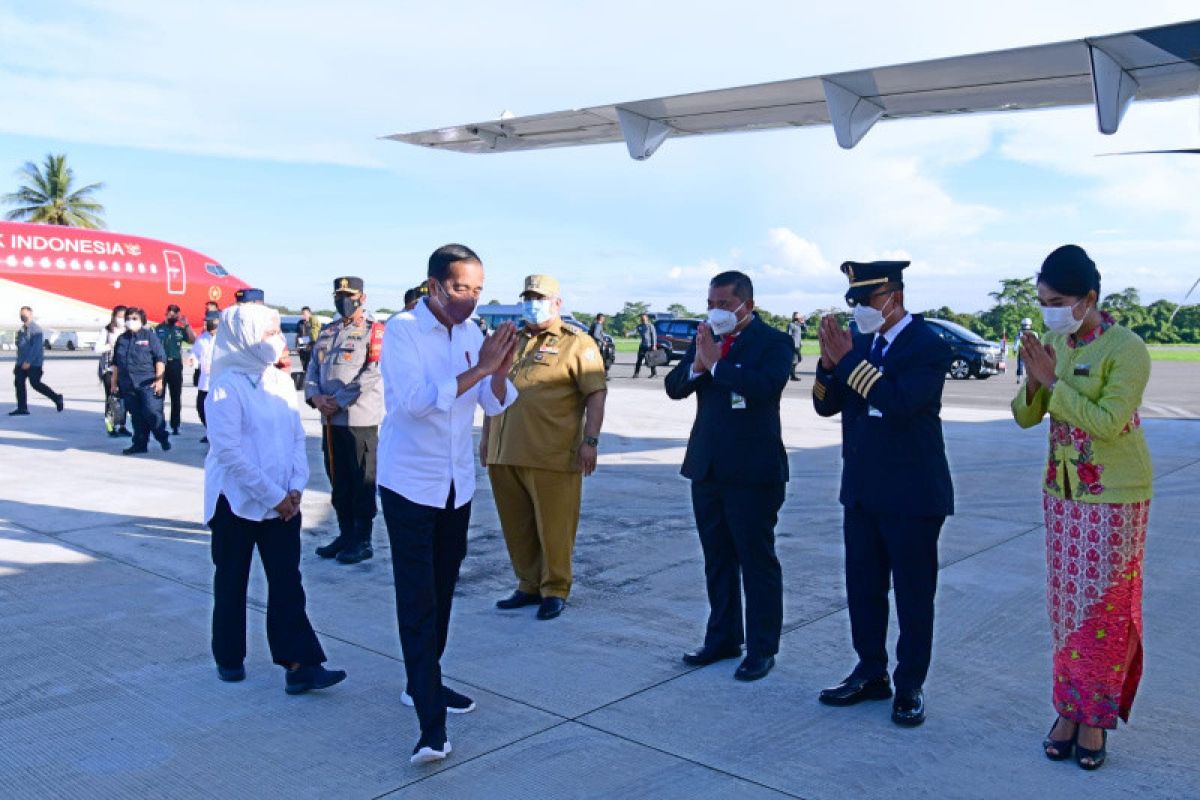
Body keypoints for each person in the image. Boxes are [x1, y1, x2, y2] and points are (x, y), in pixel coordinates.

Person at [1011, 245, 1152, 771]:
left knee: (1105, 611)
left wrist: (1053, 381)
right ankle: (1067, 710)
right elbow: (1026, 418)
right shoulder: (1052, 341)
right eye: (1043, 300)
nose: (1049, 310)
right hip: (1062, 494)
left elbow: (1110, 420)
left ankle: (1094, 717)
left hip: (1115, 494)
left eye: (1059, 300)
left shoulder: (1127, 348)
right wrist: (1034, 380)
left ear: (1089, 298)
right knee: (1067, 609)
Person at [377, 243, 518, 764]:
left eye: (478, 290)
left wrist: (498, 369)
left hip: (456, 486)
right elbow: (414, 403)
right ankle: (430, 728)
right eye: (461, 289)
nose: (471, 300)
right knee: (417, 600)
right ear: (434, 285)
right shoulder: (404, 331)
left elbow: (494, 402)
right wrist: (481, 368)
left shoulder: (474, 333)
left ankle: (423, 683)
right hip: (411, 486)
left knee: (442, 590)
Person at [812, 260, 954, 728]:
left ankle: (909, 683)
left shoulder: (928, 345)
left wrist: (849, 360)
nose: (860, 310)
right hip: (863, 489)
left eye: (868, 300)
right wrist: (827, 365)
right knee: (863, 589)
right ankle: (870, 671)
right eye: (853, 302)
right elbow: (825, 405)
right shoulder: (864, 343)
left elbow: (898, 402)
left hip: (912, 494)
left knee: (914, 595)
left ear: (895, 296)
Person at [204, 302, 347, 695]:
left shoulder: (281, 381)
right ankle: (229, 656)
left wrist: (296, 487)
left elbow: (296, 437)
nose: (277, 341)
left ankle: (301, 664)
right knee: (232, 580)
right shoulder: (224, 387)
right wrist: (272, 495)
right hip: (235, 501)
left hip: (285, 502)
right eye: (268, 333)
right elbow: (229, 452)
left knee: (287, 582)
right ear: (245, 338)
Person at [664, 271, 793, 682]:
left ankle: (761, 647)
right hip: (708, 466)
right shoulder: (707, 337)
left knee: (756, 560)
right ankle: (722, 636)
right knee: (717, 558)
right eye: (711, 303)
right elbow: (674, 387)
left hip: (754, 471)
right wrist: (700, 367)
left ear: (746, 305)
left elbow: (765, 386)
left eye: (724, 304)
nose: (716, 311)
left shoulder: (774, 342)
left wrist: (719, 366)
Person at [484, 274, 608, 621]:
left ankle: (555, 588)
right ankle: (527, 583)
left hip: (551, 453)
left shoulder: (577, 343)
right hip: (504, 450)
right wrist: (485, 440)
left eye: (539, 297)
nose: (532, 303)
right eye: (527, 297)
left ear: (557, 303)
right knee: (516, 524)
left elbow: (595, 394)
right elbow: (492, 393)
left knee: (554, 527)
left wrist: (591, 441)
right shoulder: (512, 339)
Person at [306, 277, 384, 565]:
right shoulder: (328, 331)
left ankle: (362, 540)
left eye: (348, 295)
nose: (343, 300)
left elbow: (371, 373)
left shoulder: (372, 332)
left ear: (362, 298)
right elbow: (313, 367)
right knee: (337, 479)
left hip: (358, 417)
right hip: (330, 421)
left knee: (361, 480)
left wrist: (337, 400)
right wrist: (315, 397)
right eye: (338, 295)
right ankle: (345, 533)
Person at [111, 307, 171, 455]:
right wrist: (114, 382)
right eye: (128, 318)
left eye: (134, 318)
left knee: (151, 412)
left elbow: (160, 359)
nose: (130, 321)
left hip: (148, 383)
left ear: (142, 321)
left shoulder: (150, 336)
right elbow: (116, 364)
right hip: (128, 384)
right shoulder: (122, 339)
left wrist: (159, 380)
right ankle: (140, 444)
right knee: (137, 416)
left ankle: (161, 436)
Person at [10, 306, 64, 416]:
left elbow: (36, 348)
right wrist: (18, 363)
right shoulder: (21, 330)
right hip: (21, 362)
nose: (22, 316)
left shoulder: (36, 330)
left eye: (25, 314)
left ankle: (56, 397)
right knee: (18, 382)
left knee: (35, 384)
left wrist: (28, 362)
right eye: (21, 314)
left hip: (33, 363)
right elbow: (20, 346)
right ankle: (22, 408)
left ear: (31, 315)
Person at [156, 303, 196, 435]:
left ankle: (175, 425)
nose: (173, 315)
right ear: (166, 313)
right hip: (161, 365)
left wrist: (186, 325)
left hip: (175, 364)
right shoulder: (158, 329)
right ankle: (159, 424)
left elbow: (192, 340)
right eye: (171, 312)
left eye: (176, 313)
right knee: (159, 396)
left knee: (176, 397)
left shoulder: (180, 330)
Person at [98, 305, 131, 436]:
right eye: (120, 317)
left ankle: (122, 425)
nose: (122, 319)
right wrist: (110, 346)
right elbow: (97, 348)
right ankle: (110, 427)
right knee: (111, 399)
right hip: (109, 369)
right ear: (114, 317)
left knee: (124, 400)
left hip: (124, 370)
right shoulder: (107, 331)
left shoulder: (128, 331)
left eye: (124, 317)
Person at [191, 310, 219, 443]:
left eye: (211, 322)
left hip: (218, 381)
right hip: (204, 381)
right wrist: (193, 361)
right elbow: (195, 354)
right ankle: (210, 430)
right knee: (201, 407)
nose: (208, 324)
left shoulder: (224, 339)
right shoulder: (202, 338)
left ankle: (216, 434)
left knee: (217, 409)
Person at [633, 313, 658, 378]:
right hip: (642, 346)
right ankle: (636, 373)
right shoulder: (640, 326)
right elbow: (634, 331)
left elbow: (654, 336)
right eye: (641, 318)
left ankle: (654, 373)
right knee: (639, 360)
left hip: (649, 346)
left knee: (651, 360)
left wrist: (654, 345)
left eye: (643, 318)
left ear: (647, 318)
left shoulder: (650, 326)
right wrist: (628, 333)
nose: (642, 319)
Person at [296, 306, 320, 373]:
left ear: (309, 313)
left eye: (305, 314)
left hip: (310, 346)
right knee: (303, 364)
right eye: (302, 313)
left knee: (310, 364)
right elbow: (298, 335)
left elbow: (316, 334)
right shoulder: (300, 323)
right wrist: (297, 346)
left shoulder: (313, 323)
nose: (303, 315)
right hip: (302, 346)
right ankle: (304, 376)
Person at [1015, 317, 1037, 382]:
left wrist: (1014, 349)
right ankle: (1027, 377)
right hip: (1029, 351)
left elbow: (1017, 342)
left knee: (1021, 364)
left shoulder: (1020, 333)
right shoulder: (1034, 333)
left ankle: (1020, 378)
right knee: (1028, 364)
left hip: (1024, 350)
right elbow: (1038, 343)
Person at [786, 312, 805, 381]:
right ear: (794, 317)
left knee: (797, 360)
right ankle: (792, 375)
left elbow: (806, 330)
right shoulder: (791, 325)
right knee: (797, 359)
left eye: (799, 316)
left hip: (798, 345)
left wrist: (803, 323)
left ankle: (792, 375)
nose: (798, 317)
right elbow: (788, 334)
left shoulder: (799, 325)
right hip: (793, 345)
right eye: (797, 316)